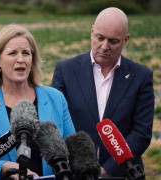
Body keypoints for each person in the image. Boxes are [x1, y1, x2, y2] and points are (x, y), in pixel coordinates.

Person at [0, 24, 75, 180]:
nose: (21, 59)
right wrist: (4, 168)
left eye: (26, 53)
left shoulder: (56, 98)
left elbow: (74, 152)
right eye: (12, 53)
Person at [52, 7, 154, 178]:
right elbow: (55, 123)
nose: (104, 46)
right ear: (92, 32)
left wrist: (107, 170)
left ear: (125, 40)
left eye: (113, 41)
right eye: (100, 38)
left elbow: (141, 133)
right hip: (76, 174)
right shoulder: (65, 70)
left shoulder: (141, 76)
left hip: (124, 174)